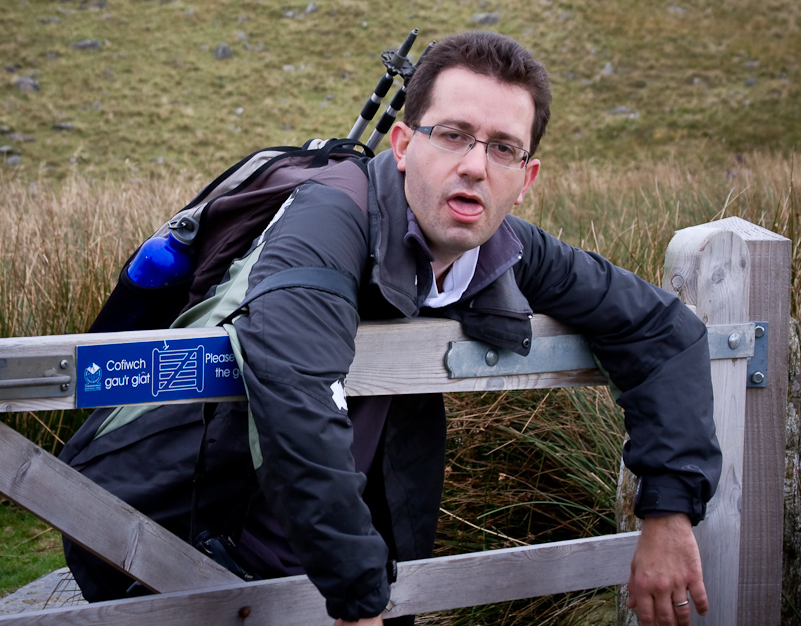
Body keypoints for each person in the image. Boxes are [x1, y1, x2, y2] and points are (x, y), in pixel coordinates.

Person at [64, 31, 721, 626]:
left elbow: (664, 331)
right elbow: (296, 389)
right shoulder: (325, 219)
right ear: (404, 145)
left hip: (326, 567)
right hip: (162, 546)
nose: (474, 164)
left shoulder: (510, 246)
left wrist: (666, 510)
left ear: (525, 178)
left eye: (502, 147)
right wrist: (358, 594)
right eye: (453, 134)